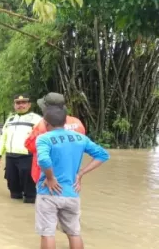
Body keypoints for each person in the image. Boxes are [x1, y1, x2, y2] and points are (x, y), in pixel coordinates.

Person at [35, 105, 109, 249]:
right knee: (74, 232)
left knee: (47, 233)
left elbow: (43, 160)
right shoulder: (80, 138)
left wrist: (50, 178)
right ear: (65, 121)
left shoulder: (43, 138)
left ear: (45, 123)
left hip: (48, 193)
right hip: (72, 192)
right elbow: (102, 155)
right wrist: (80, 174)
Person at [25, 92, 86, 184]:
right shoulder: (77, 123)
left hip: (47, 178)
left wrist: (31, 134)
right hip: (71, 175)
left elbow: (30, 146)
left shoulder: (43, 125)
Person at [0, 93, 42, 203]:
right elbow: (3, 138)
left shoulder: (37, 119)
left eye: (23, 102)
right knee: (13, 190)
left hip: (28, 157)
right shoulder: (10, 119)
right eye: (18, 103)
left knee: (30, 193)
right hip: (10, 157)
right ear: (14, 105)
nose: (21, 105)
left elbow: (43, 140)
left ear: (29, 104)